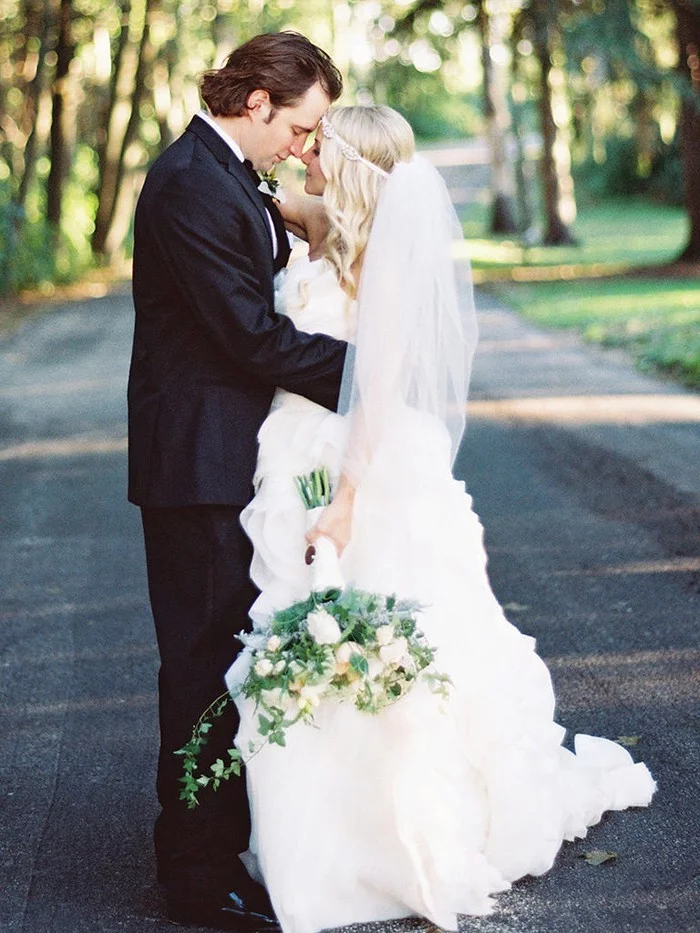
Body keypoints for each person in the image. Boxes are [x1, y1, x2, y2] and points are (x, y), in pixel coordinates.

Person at [226, 105, 656, 933]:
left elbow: (376, 391)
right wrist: (290, 204)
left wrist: (346, 502)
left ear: (346, 163)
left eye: (320, 147)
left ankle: (395, 834)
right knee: (314, 630)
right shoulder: (339, 232)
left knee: (386, 632)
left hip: (365, 475)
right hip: (296, 460)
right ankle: (320, 834)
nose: (305, 154)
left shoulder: (386, 263)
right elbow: (317, 221)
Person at [128, 32, 351, 932]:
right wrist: (375, 373)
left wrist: (298, 215)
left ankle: (223, 841)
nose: (305, 145)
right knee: (200, 666)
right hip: (196, 461)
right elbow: (248, 339)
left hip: (230, 453)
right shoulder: (189, 184)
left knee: (228, 654)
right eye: (302, 125)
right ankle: (193, 872)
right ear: (256, 102)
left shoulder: (227, 175)